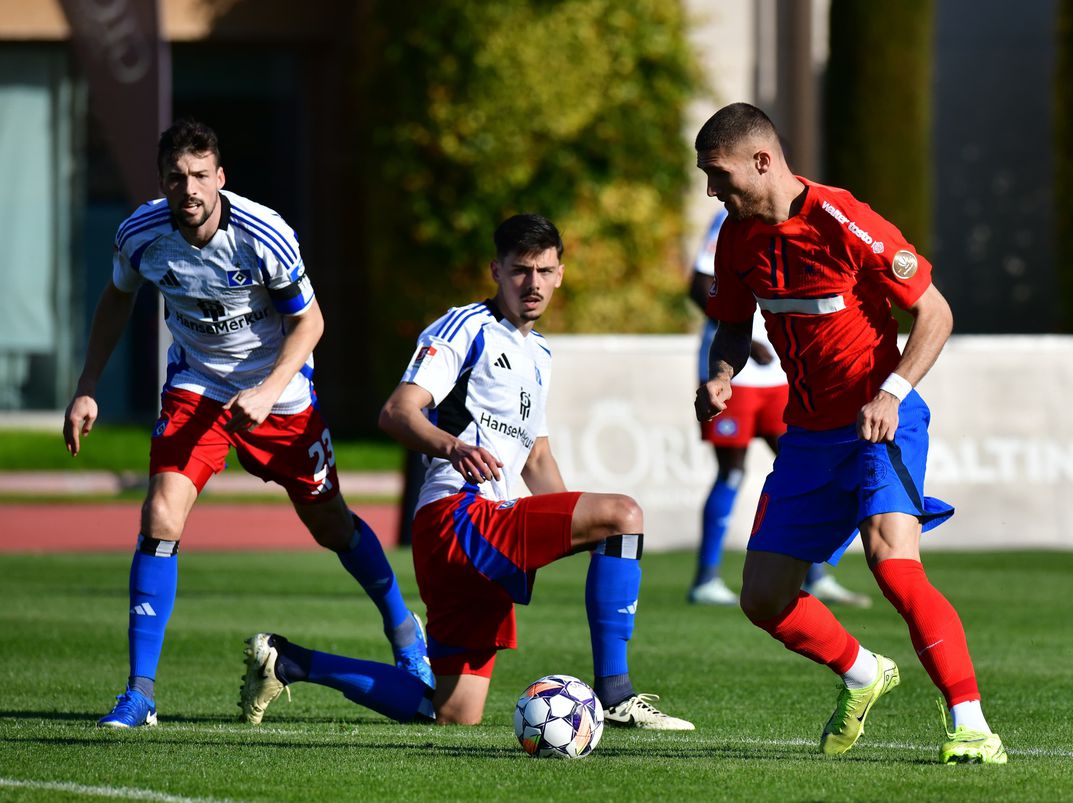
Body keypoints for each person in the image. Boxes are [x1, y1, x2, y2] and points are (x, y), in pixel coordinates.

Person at [240, 214, 693, 730]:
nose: (534, 283)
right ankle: (615, 693)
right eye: (521, 270)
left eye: (545, 271)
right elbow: (397, 412)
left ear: (561, 273)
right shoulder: (466, 326)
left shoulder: (539, 352)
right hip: (459, 515)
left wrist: (571, 530)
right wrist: (452, 447)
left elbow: (537, 459)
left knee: (454, 713)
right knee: (624, 513)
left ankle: (290, 660)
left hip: (471, 538)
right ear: (495, 270)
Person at [63, 119, 432, 729]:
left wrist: (267, 389)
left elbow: (310, 325)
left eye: (201, 176)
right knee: (160, 515)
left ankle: (403, 629)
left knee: (331, 524)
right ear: (162, 182)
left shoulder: (265, 236)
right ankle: (140, 693)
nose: (190, 190)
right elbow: (117, 298)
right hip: (198, 388)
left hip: (280, 395)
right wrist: (86, 387)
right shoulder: (141, 235)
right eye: (177, 179)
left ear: (221, 178)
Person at [693, 103, 1006, 764]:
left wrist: (893, 392)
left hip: (878, 419)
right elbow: (729, 321)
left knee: (892, 564)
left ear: (762, 160)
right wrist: (721, 373)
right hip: (807, 435)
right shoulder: (735, 237)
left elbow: (935, 312)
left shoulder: (843, 220)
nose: (711, 190)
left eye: (718, 175)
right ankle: (864, 673)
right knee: (763, 598)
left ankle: (971, 723)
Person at [688, 207, 871, 609]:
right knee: (732, 471)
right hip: (737, 377)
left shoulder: (803, 223)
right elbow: (698, 284)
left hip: (779, 379)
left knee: (805, 470)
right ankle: (706, 578)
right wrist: (744, 340)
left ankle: (816, 575)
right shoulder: (728, 223)